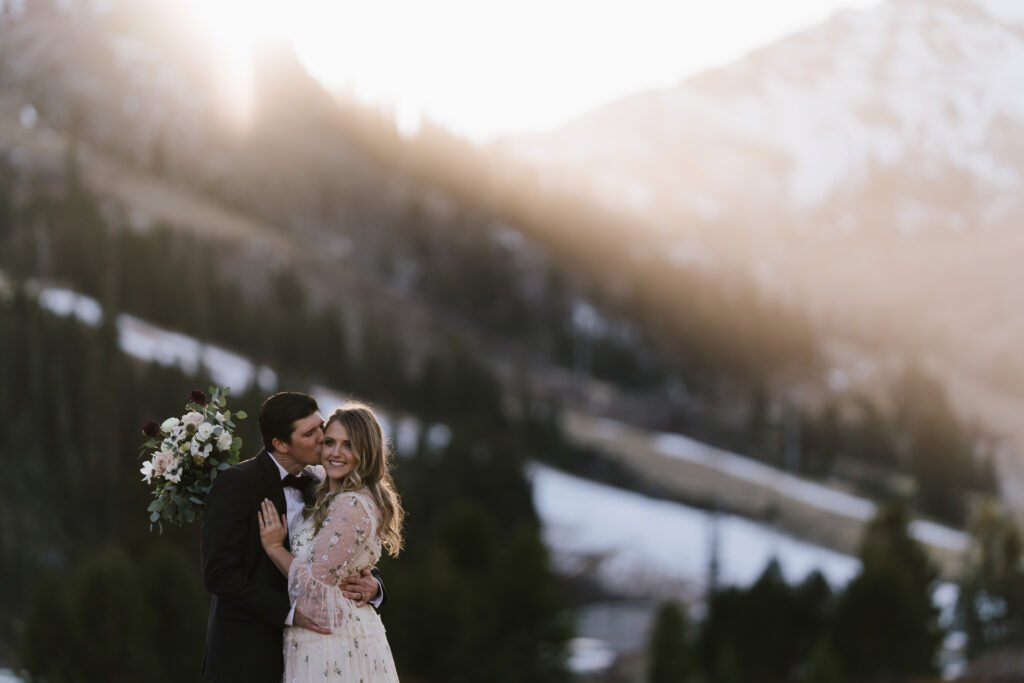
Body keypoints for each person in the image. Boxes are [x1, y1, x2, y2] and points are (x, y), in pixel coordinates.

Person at [201, 392, 385, 683]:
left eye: (321, 426)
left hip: (318, 651)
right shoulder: (238, 483)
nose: (323, 437)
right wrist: (290, 613)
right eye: (310, 433)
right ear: (281, 444)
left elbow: (336, 554)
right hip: (249, 653)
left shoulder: (321, 484)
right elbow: (219, 575)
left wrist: (374, 587)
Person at [259, 401, 404, 682]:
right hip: (322, 636)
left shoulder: (352, 504)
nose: (336, 453)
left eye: (348, 445)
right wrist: (374, 587)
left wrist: (275, 548)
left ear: (367, 451)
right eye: (329, 442)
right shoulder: (325, 491)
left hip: (333, 643)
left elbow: (314, 584)